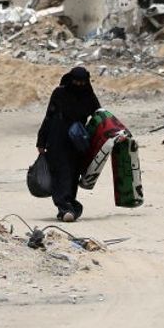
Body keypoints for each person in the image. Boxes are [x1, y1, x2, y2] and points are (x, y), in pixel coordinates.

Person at [36, 66, 101, 223]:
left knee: (73, 174)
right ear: (70, 79)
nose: (79, 85)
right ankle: (64, 207)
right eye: (76, 81)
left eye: (82, 82)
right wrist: (41, 140)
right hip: (57, 138)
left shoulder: (88, 95)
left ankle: (69, 205)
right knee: (60, 173)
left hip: (77, 141)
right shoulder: (60, 93)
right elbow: (49, 116)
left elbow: (99, 116)